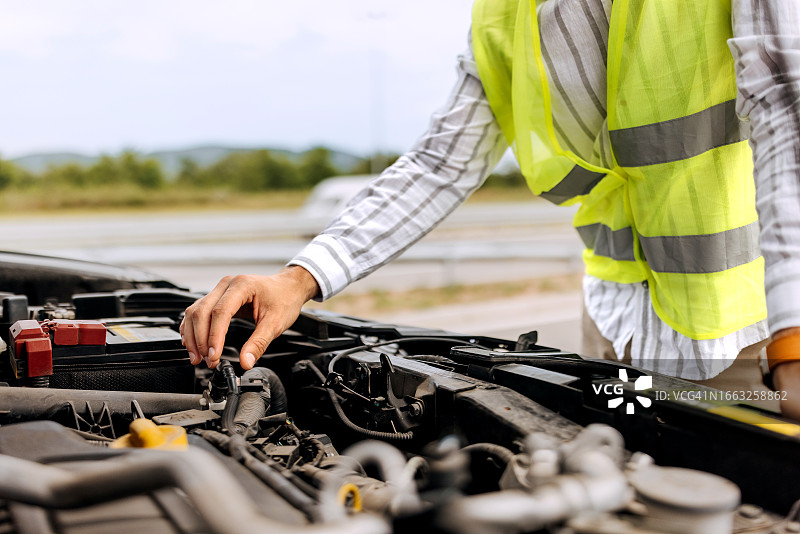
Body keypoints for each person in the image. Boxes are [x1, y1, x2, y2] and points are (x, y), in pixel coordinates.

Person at [181, 0, 800, 416]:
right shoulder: (508, 13)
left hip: (745, 335)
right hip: (615, 323)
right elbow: (441, 162)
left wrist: (792, 338)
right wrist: (301, 277)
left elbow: (786, 106)